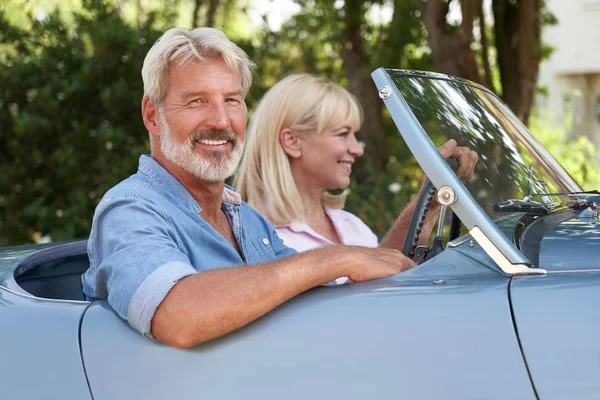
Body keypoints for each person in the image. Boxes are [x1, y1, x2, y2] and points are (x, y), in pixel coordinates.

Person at [82, 27, 416, 349]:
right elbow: (178, 316)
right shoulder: (130, 209)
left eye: (231, 100)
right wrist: (333, 257)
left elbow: (321, 303)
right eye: (197, 101)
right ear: (153, 116)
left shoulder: (248, 220)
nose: (221, 121)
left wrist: (417, 216)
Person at [234, 74, 477, 256]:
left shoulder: (350, 226)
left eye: (354, 135)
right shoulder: (254, 236)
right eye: (342, 134)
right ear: (292, 141)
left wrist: (431, 199)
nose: (357, 149)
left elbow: (391, 283)